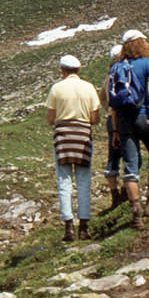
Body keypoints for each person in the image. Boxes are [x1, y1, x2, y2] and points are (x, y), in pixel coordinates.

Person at [109, 29, 149, 228]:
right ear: (140, 44)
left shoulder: (116, 67)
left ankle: (136, 214)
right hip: (145, 115)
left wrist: (116, 131)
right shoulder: (145, 64)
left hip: (124, 121)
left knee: (130, 168)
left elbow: (113, 106)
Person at [46, 53, 102, 241]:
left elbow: (50, 119)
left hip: (62, 137)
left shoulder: (56, 88)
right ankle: (84, 226)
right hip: (83, 135)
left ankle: (68, 225)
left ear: (62, 70)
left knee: (64, 181)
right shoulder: (89, 88)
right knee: (83, 180)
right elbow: (95, 119)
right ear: (79, 70)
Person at [99, 43, 125, 210]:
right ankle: (125, 193)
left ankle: (115, 194)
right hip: (123, 117)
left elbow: (102, 96)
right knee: (131, 155)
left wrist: (108, 110)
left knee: (113, 156)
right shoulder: (122, 72)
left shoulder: (108, 77)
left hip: (111, 118)